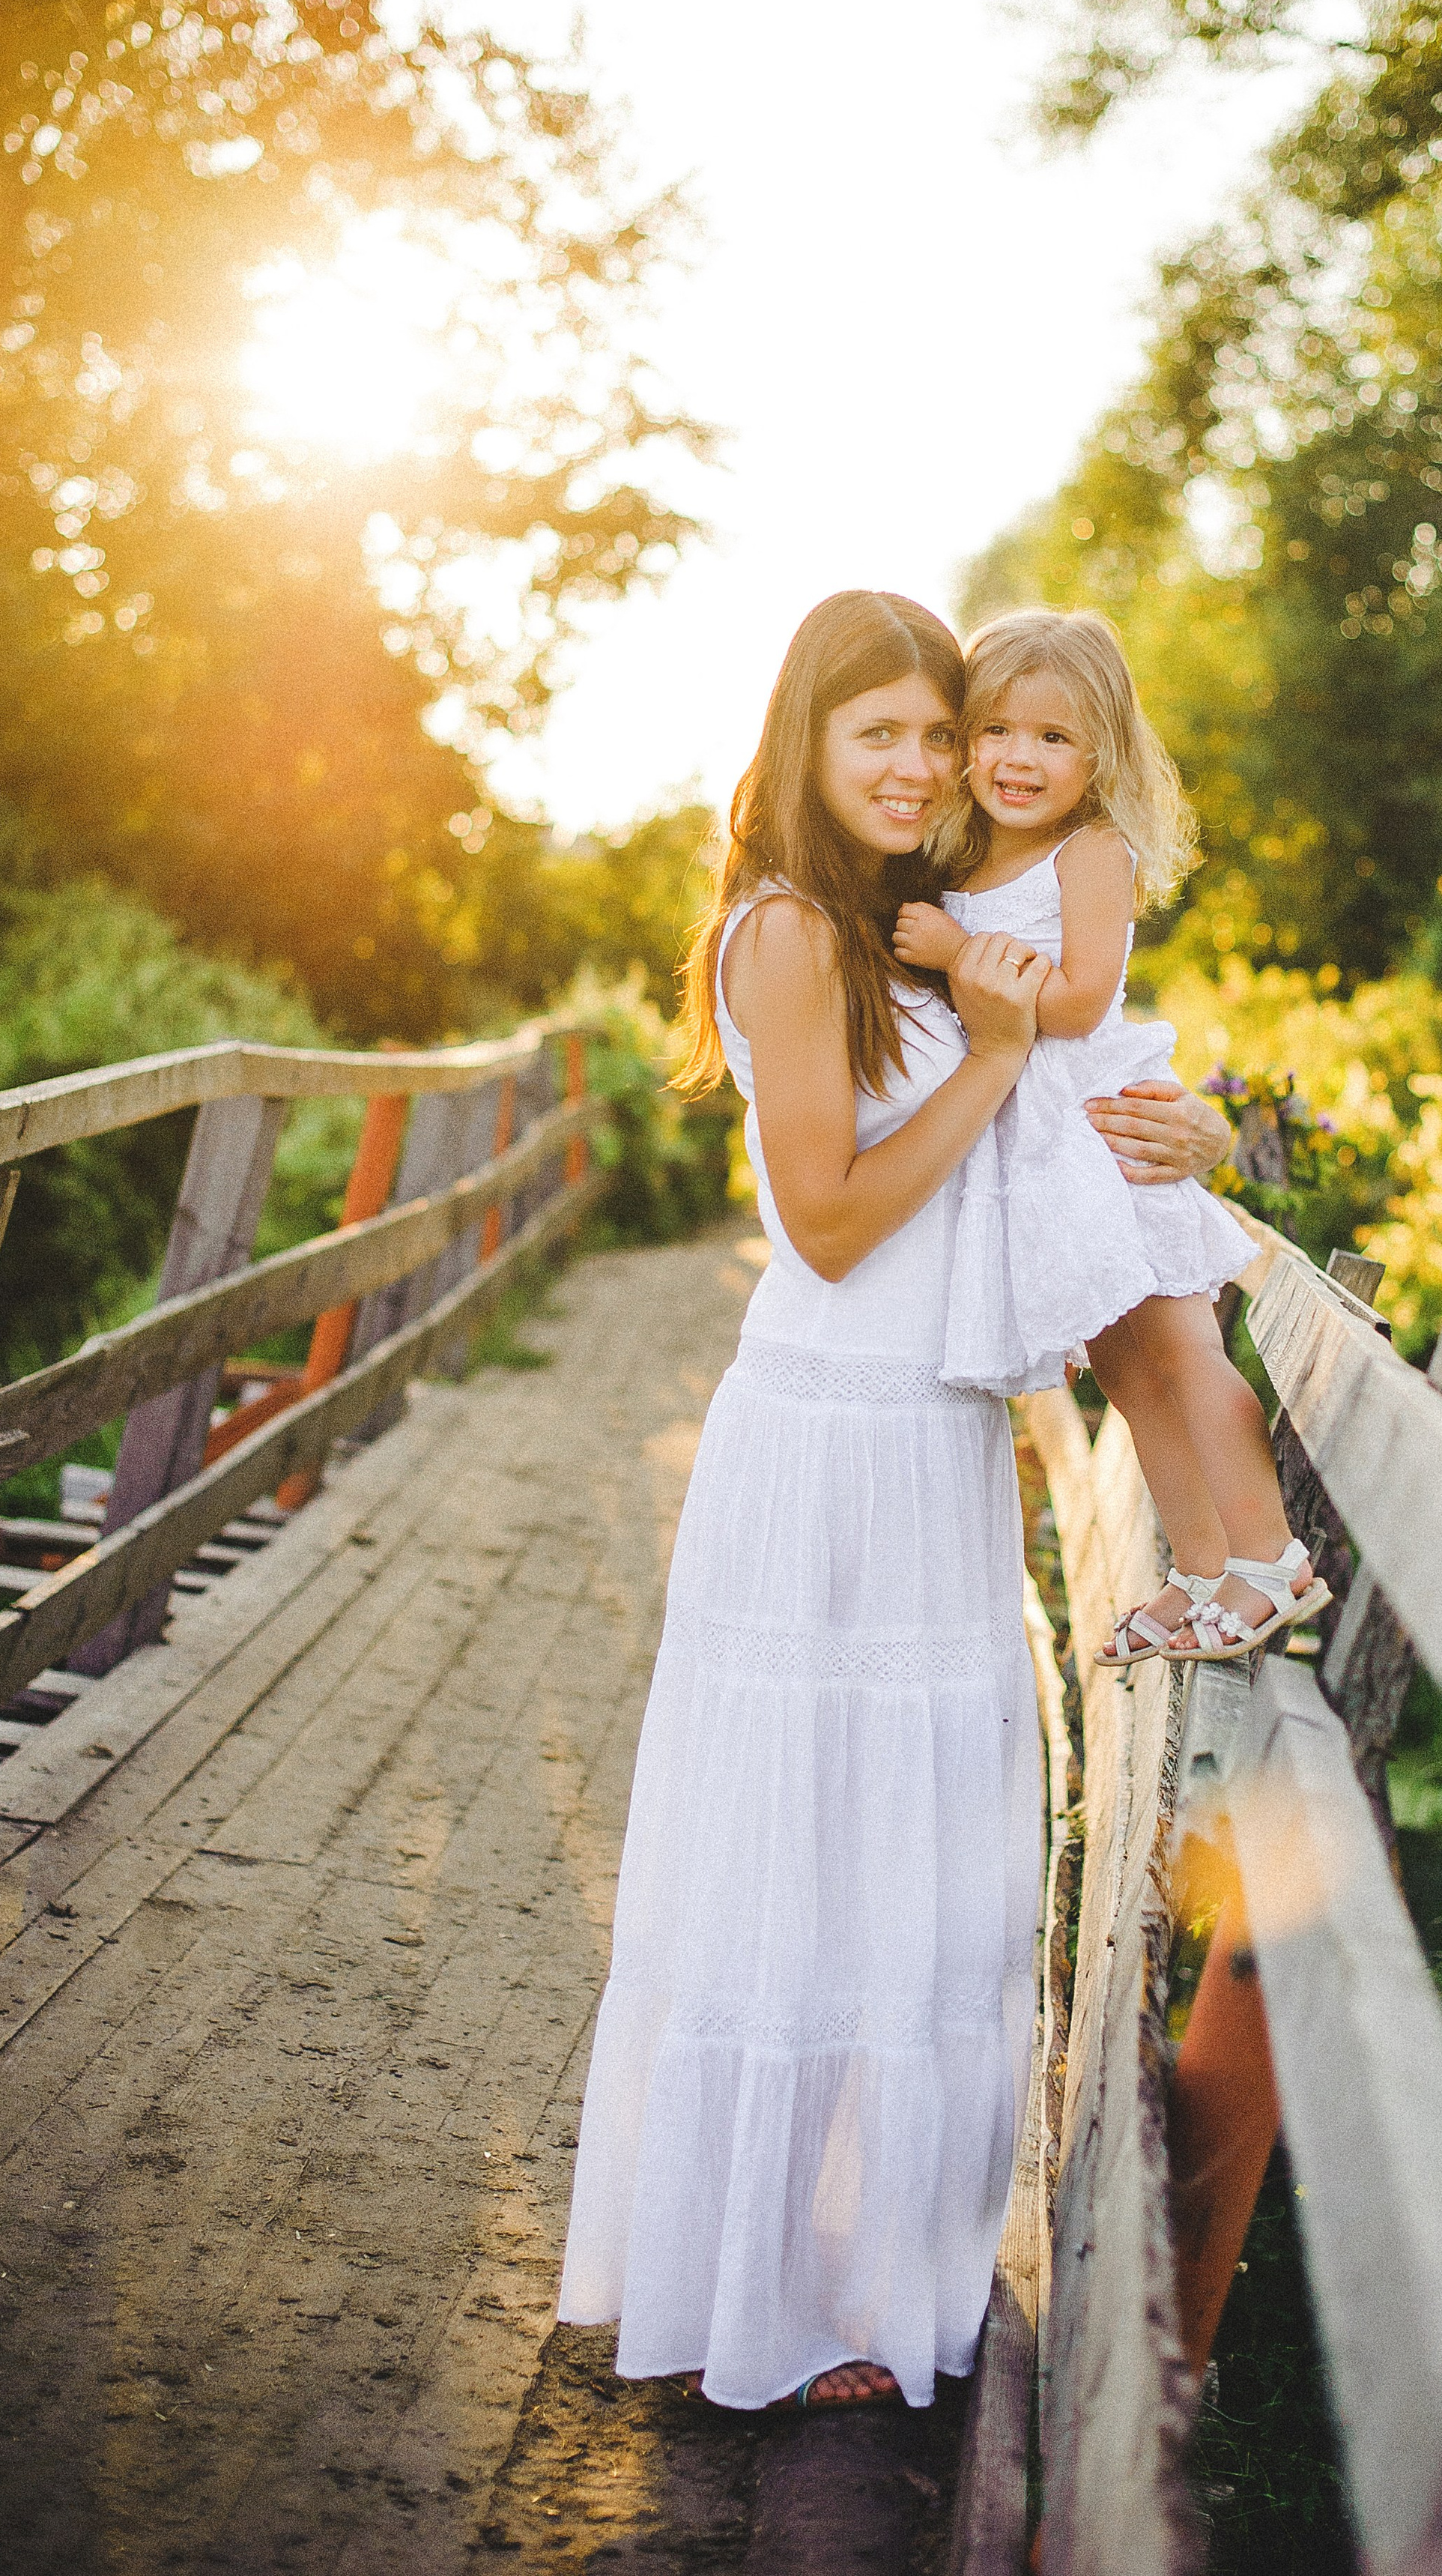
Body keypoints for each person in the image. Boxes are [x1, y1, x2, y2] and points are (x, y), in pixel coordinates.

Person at [557, 590, 1054, 2412]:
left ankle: (854, 2273)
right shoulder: (781, 932)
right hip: (827, 1436)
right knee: (804, 1871)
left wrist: (1152, 1127)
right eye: (884, 737)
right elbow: (834, 1222)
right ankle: (769, 2297)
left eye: (938, 735)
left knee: (903, 1880)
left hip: (926, 1444)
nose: (921, 766)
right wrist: (990, 1064)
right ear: (807, 747)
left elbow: (1029, 1152)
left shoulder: (917, 937)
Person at [894, 608, 1330, 1666]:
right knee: (1127, 1374)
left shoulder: (1091, 851)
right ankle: (1199, 1571)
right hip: (1031, 1154)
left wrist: (958, 949)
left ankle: (1273, 1561)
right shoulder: (959, 853)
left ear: (1099, 754)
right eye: (997, 730)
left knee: (1183, 1350)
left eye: (1054, 738)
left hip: (1098, 1133)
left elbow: (1083, 1001)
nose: (1019, 758)